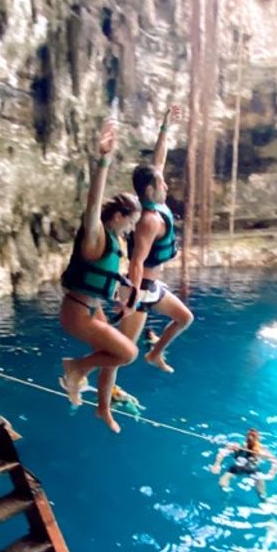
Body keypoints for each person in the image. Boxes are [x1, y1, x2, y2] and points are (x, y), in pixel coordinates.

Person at [59, 118, 142, 433]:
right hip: (78, 312)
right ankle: (75, 367)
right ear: (119, 216)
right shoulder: (95, 235)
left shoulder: (113, 242)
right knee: (128, 353)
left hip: (91, 307)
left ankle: (102, 409)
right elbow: (93, 204)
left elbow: (108, 275)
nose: (132, 229)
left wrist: (124, 293)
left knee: (115, 355)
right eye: (130, 222)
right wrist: (104, 160)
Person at [115, 103, 193, 374]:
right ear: (151, 189)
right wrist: (132, 300)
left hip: (152, 286)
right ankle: (79, 371)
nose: (167, 185)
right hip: (140, 288)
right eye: (162, 183)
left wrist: (165, 126)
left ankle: (155, 354)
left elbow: (158, 161)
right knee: (123, 352)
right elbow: (136, 262)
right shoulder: (148, 220)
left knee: (184, 318)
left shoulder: (151, 202)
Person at [210, 428, 277, 499]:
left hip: (252, 468)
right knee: (222, 483)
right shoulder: (238, 446)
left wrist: (272, 473)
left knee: (262, 493)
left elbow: (275, 461)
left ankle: (264, 501)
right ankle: (227, 495)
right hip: (238, 467)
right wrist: (217, 464)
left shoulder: (261, 450)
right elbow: (222, 452)